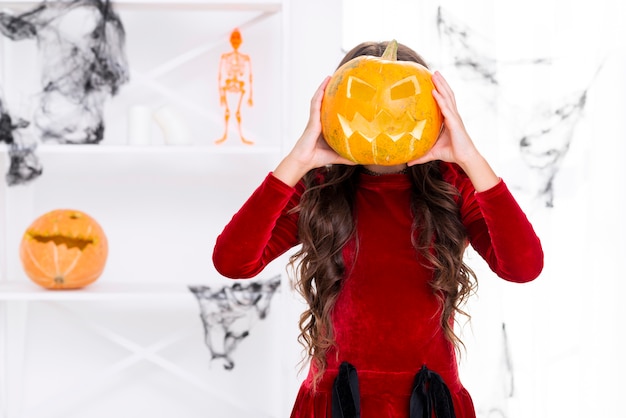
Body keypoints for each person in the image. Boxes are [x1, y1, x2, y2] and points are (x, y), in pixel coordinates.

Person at [212, 41, 543, 418]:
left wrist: (469, 156)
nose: (384, 116)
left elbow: (523, 266)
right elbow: (233, 262)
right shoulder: (319, 187)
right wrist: (298, 160)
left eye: (401, 100)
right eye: (365, 101)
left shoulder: (453, 184)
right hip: (337, 402)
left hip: (429, 401)